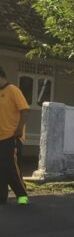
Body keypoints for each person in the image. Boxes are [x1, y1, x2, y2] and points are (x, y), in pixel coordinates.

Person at [0, 65, 30, 205]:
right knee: (1, 168)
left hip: (12, 136)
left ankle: (22, 196)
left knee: (11, 168)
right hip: (0, 137)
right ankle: (1, 197)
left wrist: (19, 129)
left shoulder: (12, 90)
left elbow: (24, 110)